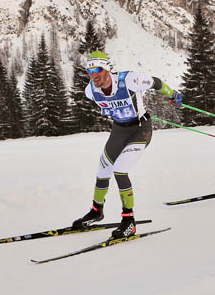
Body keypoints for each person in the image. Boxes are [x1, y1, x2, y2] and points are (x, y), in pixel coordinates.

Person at [71, 51, 183, 238]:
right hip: (119, 131)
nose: (94, 75)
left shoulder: (129, 80)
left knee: (120, 170)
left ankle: (128, 220)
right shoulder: (90, 91)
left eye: (97, 69)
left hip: (140, 130)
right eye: (89, 71)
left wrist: (173, 94)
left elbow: (155, 82)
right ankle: (96, 211)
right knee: (103, 170)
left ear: (106, 68)